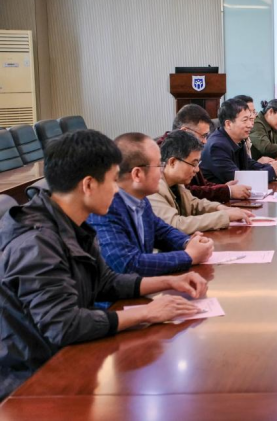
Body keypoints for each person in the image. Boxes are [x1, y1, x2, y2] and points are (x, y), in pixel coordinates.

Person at [0, 130, 208, 400]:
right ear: (88, 185)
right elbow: (63, 324)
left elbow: (106, 281)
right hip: (30, 384)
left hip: (63, 357)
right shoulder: (36, 242)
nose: (117, 189)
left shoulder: (70, 223)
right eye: (112, 181)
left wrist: (169, 281)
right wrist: (146, 312)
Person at [88, 133, 215, 276]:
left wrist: (187, 242)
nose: (162, 170)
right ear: (137, 174)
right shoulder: (105, 208)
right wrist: (189, 256)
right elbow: (127, 264)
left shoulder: (140, 199)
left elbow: (161, 231)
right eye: (159, 165)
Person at [149, 130, 253, 233]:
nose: (197, 170)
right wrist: (224, 216)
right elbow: (175, 224)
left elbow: (194, 204)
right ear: (172, 162)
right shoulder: (153, 188)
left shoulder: (177, 182)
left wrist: (220, 208)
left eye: (198, 164)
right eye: (193, 164)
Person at [157, 104, 251, 202]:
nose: (205, 141)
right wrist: (227, 191)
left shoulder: (189, 149)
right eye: (203, 135)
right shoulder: (161, 153)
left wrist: (224, 187)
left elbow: (201, 184)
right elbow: (187, 192)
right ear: (185, 131)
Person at [200, 98, 277, 184]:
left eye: (250, 119)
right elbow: (237, 180)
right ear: (228, 124)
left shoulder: (237, 140)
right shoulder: (217, 146)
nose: (250, 125)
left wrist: (272, 166)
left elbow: (249, 164)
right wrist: (272, 171)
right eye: (245, 120)